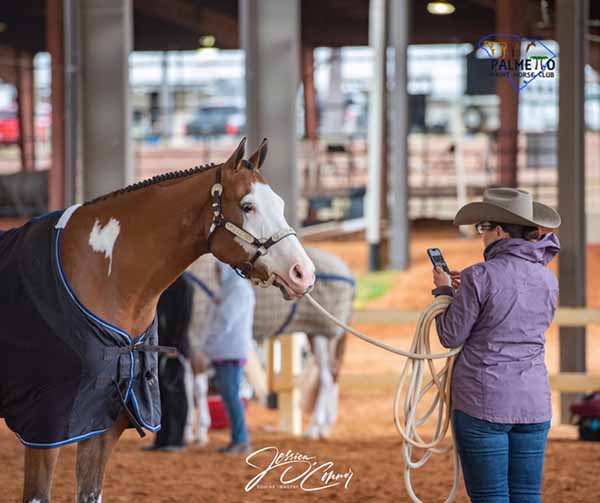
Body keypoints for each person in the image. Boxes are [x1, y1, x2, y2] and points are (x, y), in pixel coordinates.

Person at [431, 188, 561, 503]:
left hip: (483, 400)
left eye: (483, 228)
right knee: (528, 495)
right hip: (533, 403)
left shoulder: (479, 276)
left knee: (490, 496)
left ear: (499, 231)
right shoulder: (547, 279)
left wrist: (445, 294)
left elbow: (450, 335)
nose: (481, 235)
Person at [202, 259, 255, 455]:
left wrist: (205, 345)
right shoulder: (229, 290)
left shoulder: (238, 290)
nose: (216, 274)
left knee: (232, 397)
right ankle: (238, 439)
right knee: (230, 397)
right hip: (224, 351)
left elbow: (224, 320)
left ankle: (241, 440)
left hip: (230, 352)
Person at [148, 274, 194, 452]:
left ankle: (176, 440)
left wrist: (175, 345)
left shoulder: (184, 284)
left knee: (175, 392)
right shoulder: (164, 282)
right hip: (161, 346)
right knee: (163, 395)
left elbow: (185, 317)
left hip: (174, 349)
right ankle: (163, 439)